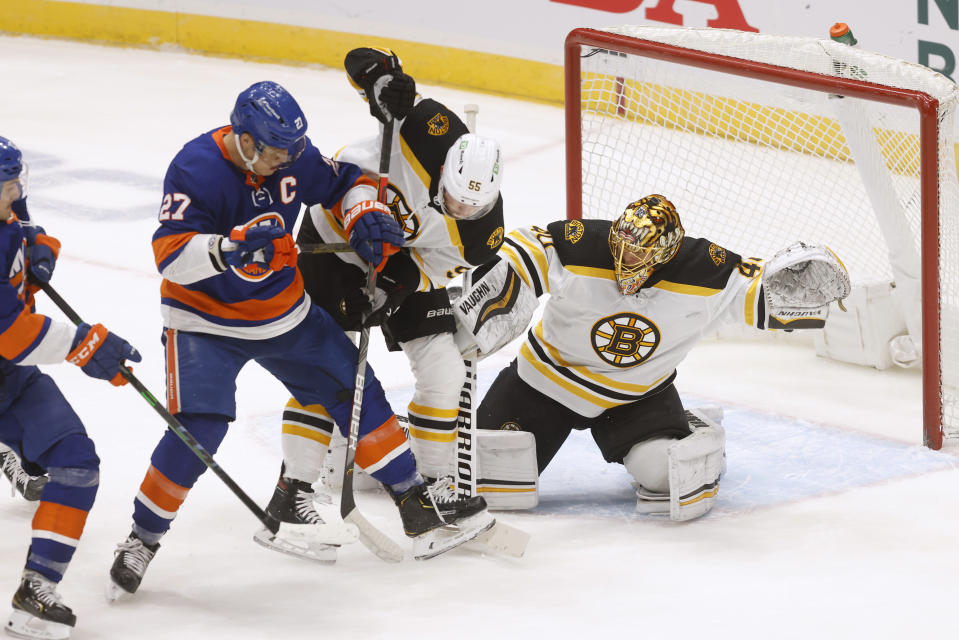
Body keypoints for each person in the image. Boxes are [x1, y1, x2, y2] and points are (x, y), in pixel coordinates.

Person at [107, 80, 492, 598]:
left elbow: (345, 181)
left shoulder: (290, 156)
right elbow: (170, 254)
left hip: (285, 312)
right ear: (245, 139)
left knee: (354, 391)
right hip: (204, 322)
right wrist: (228, 249)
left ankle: (412, 501)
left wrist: (365, 215)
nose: (285, 160)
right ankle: (141, 539)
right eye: (274, 151)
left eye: (292, 150)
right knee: (198, 431)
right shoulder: (196, 166)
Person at [451, 194, 851, 520]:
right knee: (488, 477)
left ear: (666, 253)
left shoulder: (706, 271)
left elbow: (764, 294)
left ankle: (696, 430)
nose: (625, 260)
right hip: (542, 384)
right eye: (620, 247)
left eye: (638, 254)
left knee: (666, 475)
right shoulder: (579, 244)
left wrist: (796, 287)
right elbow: (527, 250)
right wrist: (483, 301)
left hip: (635, 397)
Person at [257, 49, 506, 548]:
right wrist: (383, 82)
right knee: (325, 369)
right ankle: (293, 488)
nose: (457, 208)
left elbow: (430, 267)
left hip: (402, 263)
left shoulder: (481, 236)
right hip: (333, 239)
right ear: (445, 166)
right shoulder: (431, 127)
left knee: (444, 369)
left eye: (469, 207)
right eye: (452, 196)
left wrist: (390, 290)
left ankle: (436, 488)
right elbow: (359, 62)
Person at [0, 136, 142, 640]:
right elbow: (13, 336)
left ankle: (36, 590)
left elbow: (19, 216)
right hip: (8, 362)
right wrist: (87, 345)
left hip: (9, 382)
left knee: (76, 462)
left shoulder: (7, 207)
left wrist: (33, 240)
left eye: (19, 179)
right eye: (8, 182)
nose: (18, 189)